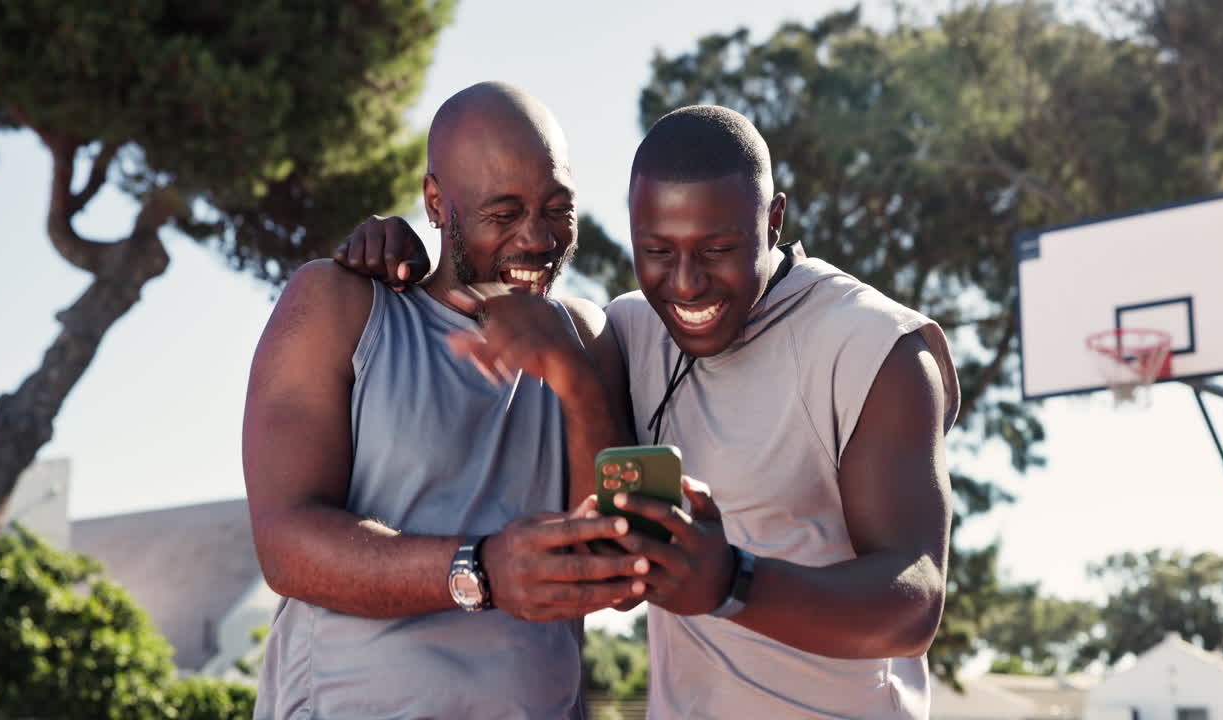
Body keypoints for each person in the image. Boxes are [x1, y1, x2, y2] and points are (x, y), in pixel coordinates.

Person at [340, 105, 960, 719]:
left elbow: (915, 603)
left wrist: (733, 583)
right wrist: (399, 247)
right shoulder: (633, 330)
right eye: (657, 251)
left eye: (717, 249)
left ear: (773, 223)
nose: (686, 285)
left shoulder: (875, 347)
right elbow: (600, 562)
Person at [243, 82, 646, 720]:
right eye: (503, 213)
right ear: (437, 202)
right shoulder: (341, 305)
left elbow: (618, 578)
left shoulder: (587, 337)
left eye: (556, 207)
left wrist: (569, 370)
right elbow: (285, 544)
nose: (537, 239)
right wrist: (479, 571)